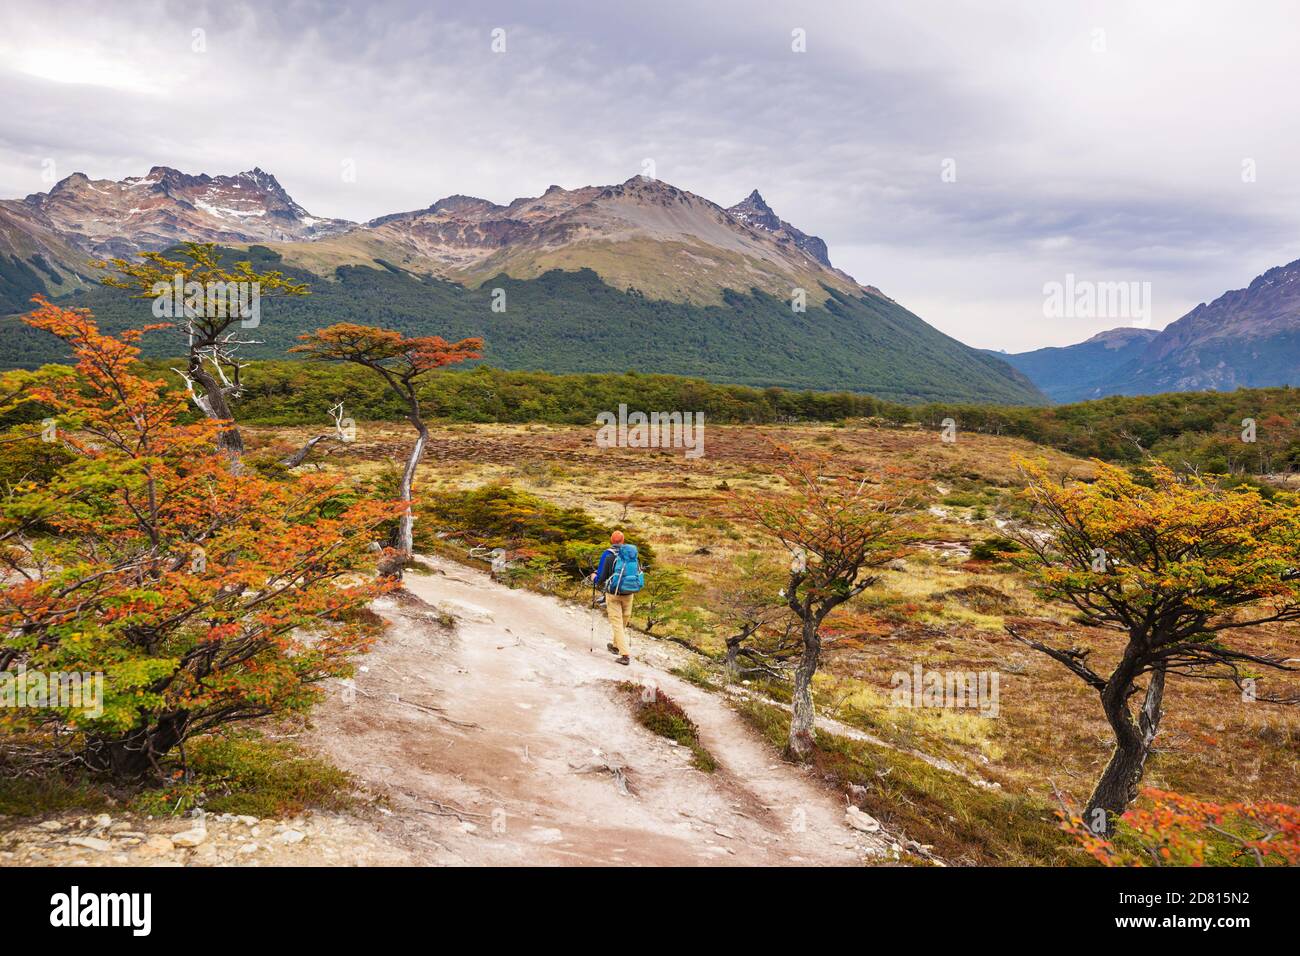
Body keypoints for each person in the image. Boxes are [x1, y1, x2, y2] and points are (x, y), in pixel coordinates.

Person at [590, 531, 644, 666]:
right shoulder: (632, 555)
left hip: (613, 594)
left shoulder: (608, 555)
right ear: (623, 540)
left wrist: (594, 577)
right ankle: (615, 645)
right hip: (629, 593)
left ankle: (624, 655)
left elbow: (601, 578)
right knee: (624, 621)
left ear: (611, 540)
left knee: (617, 624)